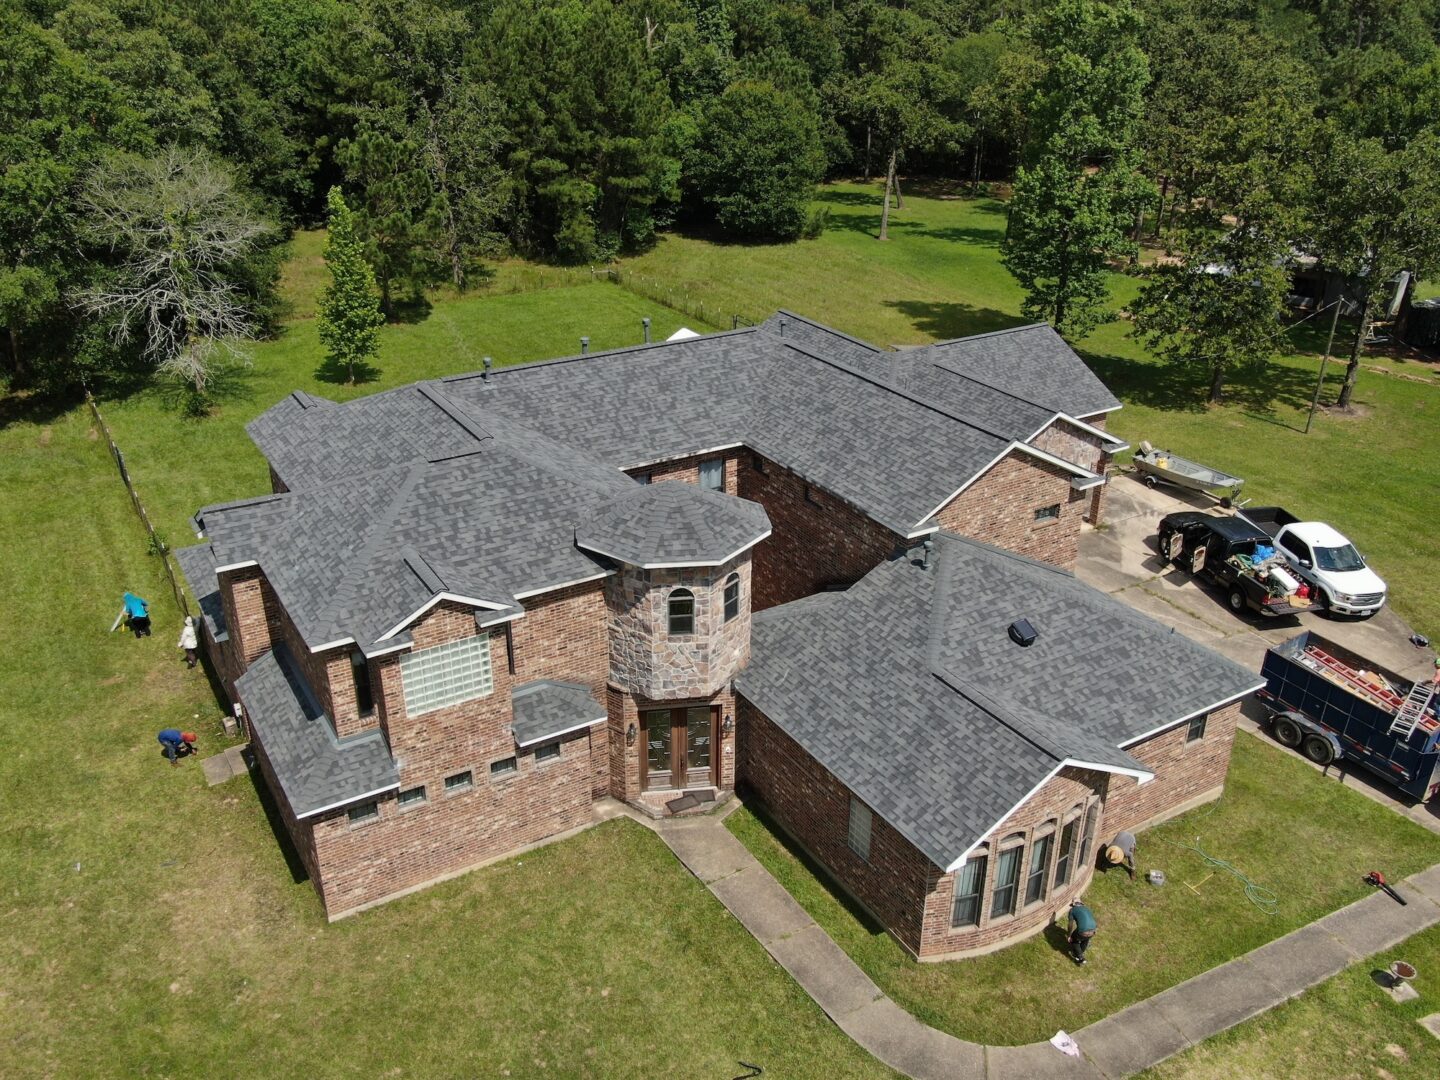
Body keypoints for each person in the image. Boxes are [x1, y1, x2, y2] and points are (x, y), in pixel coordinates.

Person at [1067, 901, 1097, 965]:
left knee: (1074, 939)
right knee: (1085, 939)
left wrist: (1069, 935)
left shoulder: (1072, 910)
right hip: (1093, 929)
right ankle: (1078, 954)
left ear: (1073, 905)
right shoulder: (1087, 909)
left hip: (1083, 930)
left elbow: (1070, 924)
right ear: (1081, 904)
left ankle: (1081, 957)